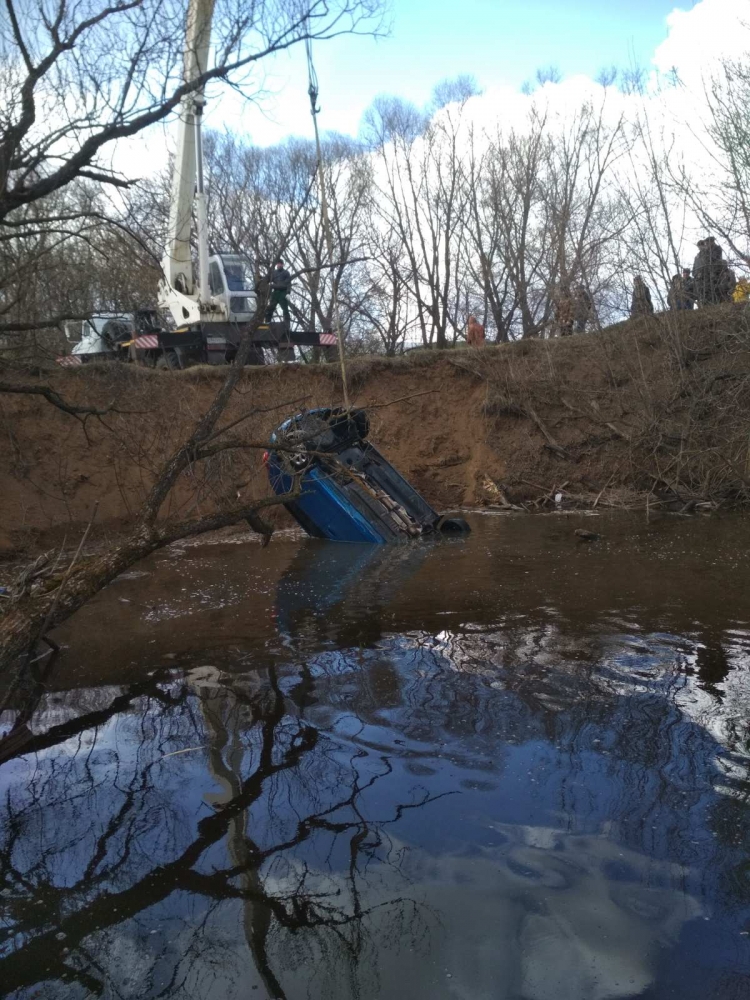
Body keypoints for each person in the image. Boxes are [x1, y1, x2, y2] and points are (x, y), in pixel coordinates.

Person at [693, 237, 733, 307]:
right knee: (703, 293)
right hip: (703, 276)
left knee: (715, 291)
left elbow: (713, 259)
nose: (701, 247)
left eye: (705, 244)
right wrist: (696, 274)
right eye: (699, 246)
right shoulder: (698, 257)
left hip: (713, 273)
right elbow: (695, 267)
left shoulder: (716, 249)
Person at [264, 258, 292, 327]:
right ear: (277, 264)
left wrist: (288, 293)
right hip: (275, 292)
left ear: (282, 264)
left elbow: (288, 283)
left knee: (285, 309)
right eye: (278, 263)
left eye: (280, 264)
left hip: (283, 292)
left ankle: (287, 324)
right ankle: (267, 322)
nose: (279, 265)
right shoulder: (274, 273)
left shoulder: (286, 273)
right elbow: (267, 279)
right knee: (270, 308)